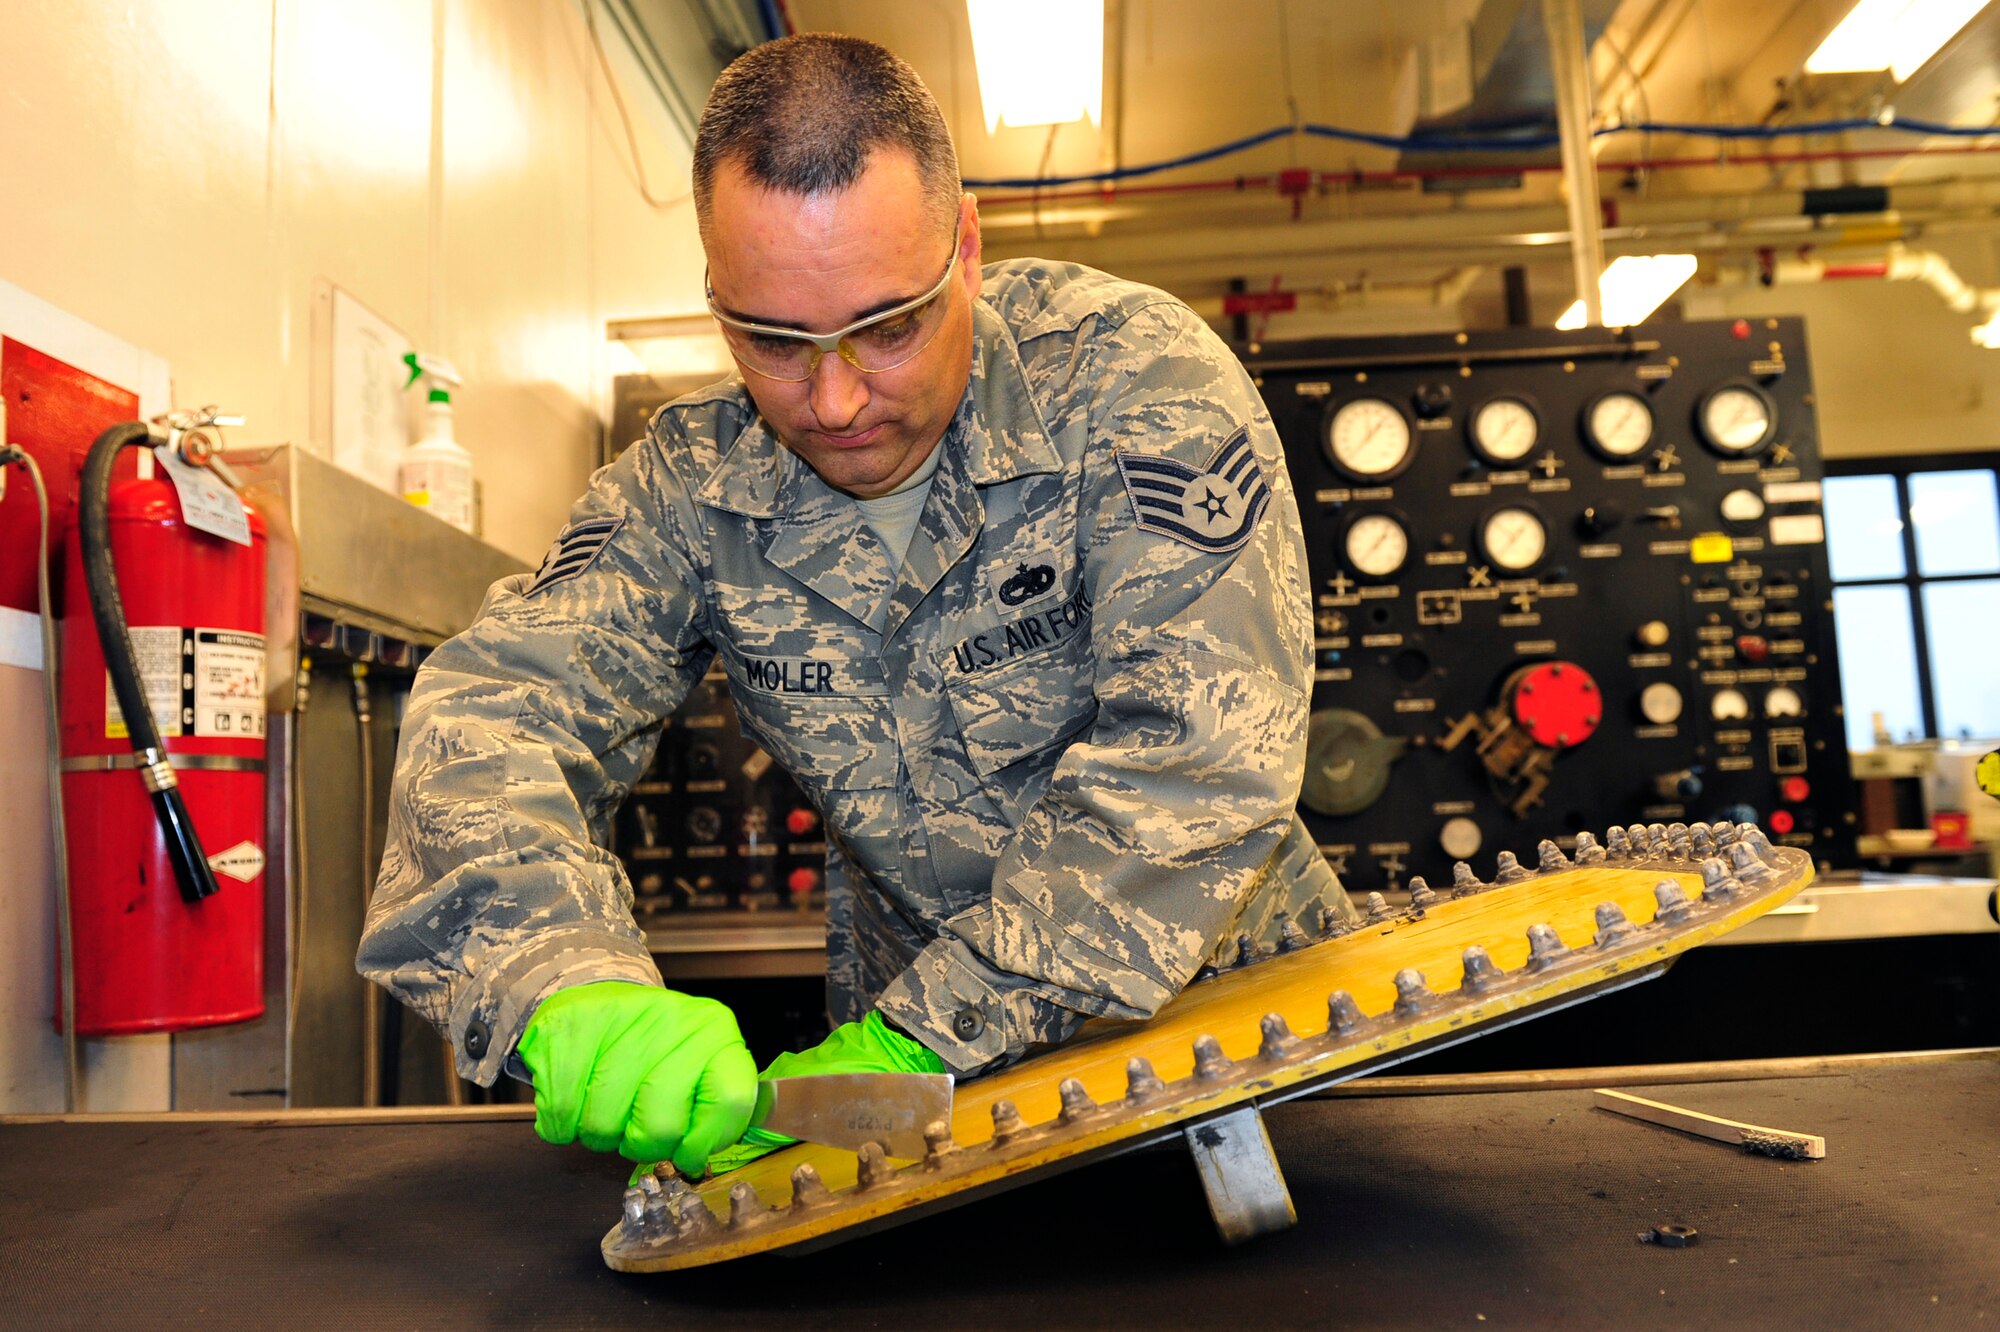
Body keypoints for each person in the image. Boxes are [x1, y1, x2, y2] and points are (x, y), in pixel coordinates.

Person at [358, 32, 1355, 1177]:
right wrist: (562, 974)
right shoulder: (694, 481)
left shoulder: (1129, 383)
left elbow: (1197, 755)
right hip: (915, 1126)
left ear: (965, 252)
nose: (833, 401)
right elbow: (498, 713)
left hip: (1228, 1048)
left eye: (888, 328)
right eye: (773, 340)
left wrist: (918, 1037)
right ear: (715, 301)